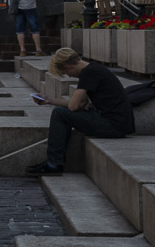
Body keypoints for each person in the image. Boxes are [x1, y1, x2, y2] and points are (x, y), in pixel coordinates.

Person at [27, 48, 134, 176]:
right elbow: (80, 104)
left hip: (113, 125)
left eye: (65, 72)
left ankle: (53, 164)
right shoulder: (93, 69)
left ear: (68, 66)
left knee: (59, 114)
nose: (69, 75)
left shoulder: (89, 73)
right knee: (60, 113)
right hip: (117, 123)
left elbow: (72, 107)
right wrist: (49, 100)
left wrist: (60, 104)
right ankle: (53, 163)